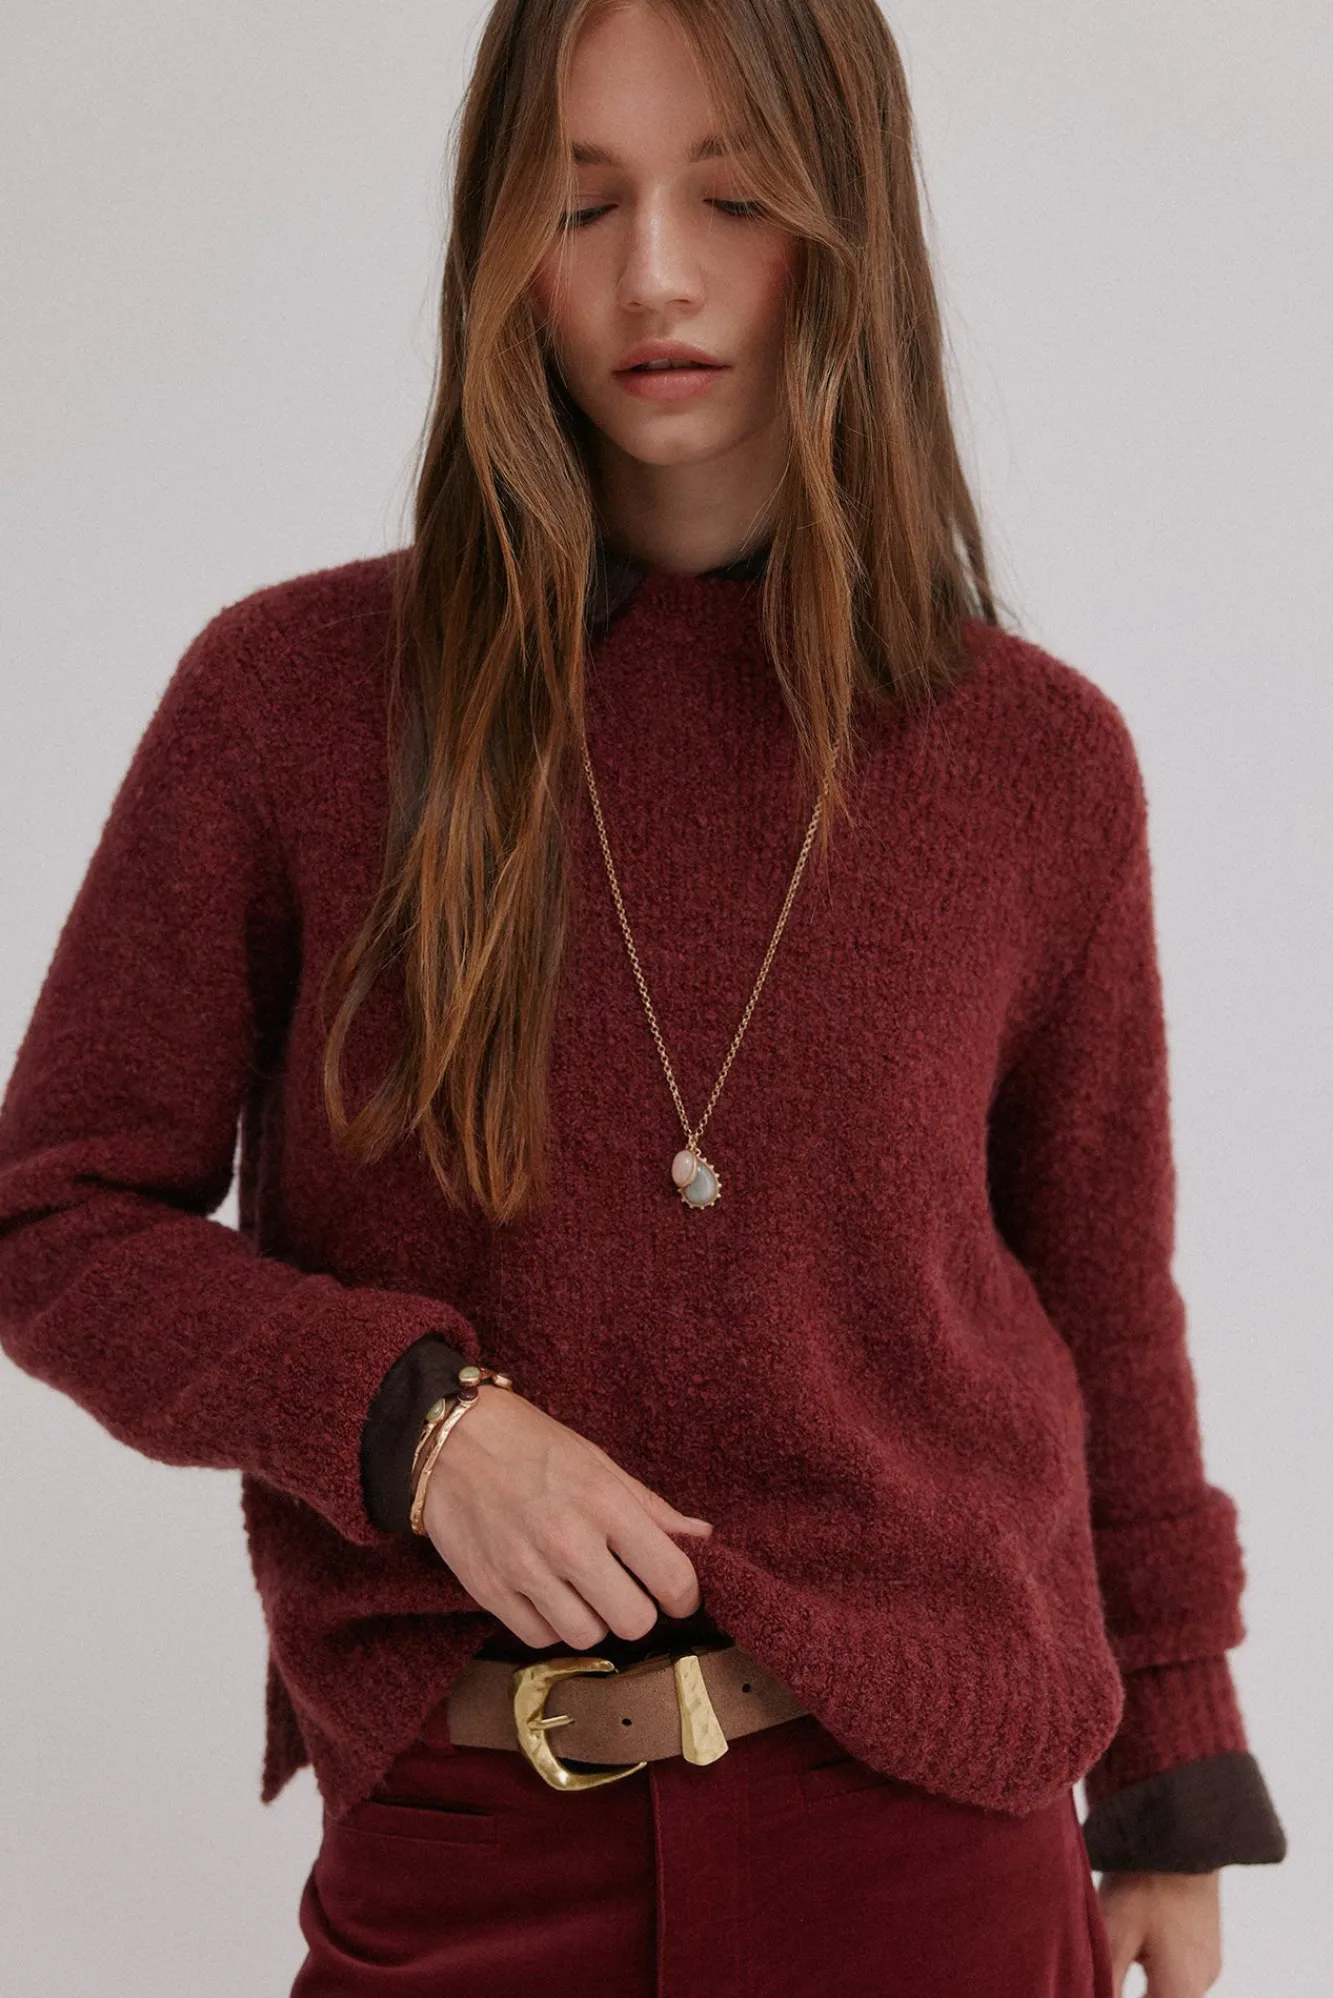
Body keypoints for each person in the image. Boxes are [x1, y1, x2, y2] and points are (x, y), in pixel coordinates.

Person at [0, 1, 1288, 1993]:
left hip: (926, 1847)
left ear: (846, 228)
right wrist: (417, 1426)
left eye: (735, 198)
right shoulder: (293, 704)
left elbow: (1101, 1294)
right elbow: (54, 1216)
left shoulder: (1031, 761)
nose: (655, 276)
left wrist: (1172, 1781)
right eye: (580, 202)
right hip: (468, 1844)